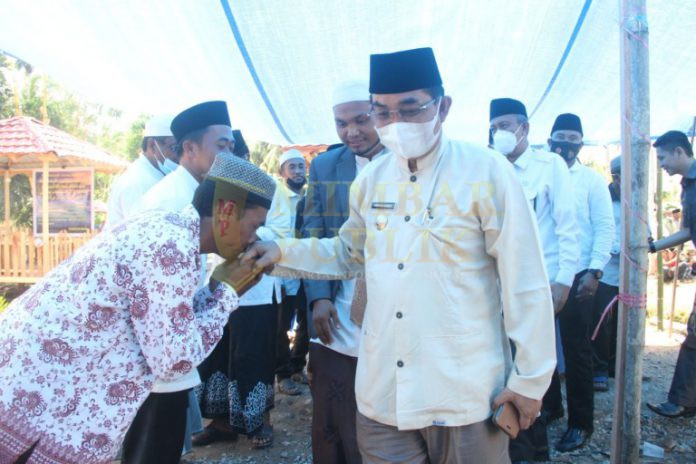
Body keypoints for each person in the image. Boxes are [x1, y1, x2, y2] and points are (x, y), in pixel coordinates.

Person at [249, 47, 556, 463]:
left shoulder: (485, 172)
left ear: (443, 107)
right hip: (383, 393)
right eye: (383, 112)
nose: (395, 123)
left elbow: (525, 281)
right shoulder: (371, 180)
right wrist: (279, 252)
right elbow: (346, 252)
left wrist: (531, 380)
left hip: (463, 393)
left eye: (410, 109)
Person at [0, 152, 276, 464]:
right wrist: (227, 293)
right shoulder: (169, 247)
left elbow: (169, 322)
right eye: (255, 225)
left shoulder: (170, 230)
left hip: (34, 379)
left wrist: (213, 291)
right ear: (226, 211)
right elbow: (174, 360)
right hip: (41, 389)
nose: (254, 238)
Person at [120, 101, 234, 463]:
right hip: (153, 353)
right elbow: (154, 301)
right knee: (152, 444)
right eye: (221, 145)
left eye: (231, 145)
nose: (229, 153)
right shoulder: (168, 202)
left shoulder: (192, 193)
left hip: (164, 345)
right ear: (189, 149)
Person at [300, 79, 387, 464]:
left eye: (361, 119)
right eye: (341, 123)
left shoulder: (407, 159)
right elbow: (312, 233)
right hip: (340, 302)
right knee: (334, 405)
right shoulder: (324, 165)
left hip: (395, 304)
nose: (351, 131)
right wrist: (319, 297)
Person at [490, 98, 579, 463]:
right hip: (494, 289)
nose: (500, 133)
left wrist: (564, 281)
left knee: (531, 367)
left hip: (538, 286)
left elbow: (568, 227)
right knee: (501, 368)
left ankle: (532, 451)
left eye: (507, 125)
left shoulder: (549, 165)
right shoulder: (488, 166)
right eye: (494, 126)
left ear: (525, 127)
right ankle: (502, 445)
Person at [194, 163, 282, 450]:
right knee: (218, 357)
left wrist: (260, 243)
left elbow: (283, 235)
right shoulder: (180, 247)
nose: (252, 236)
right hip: (223, 287)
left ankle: (259, 422)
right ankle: (221, 423)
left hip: (255, 292)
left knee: (252, 355)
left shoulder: (268, 198)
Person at [543, 113, 614, 452]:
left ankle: (581, 424)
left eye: (573, 137)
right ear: (549, 138)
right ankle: (551, 408)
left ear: (581, 143)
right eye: (561, 135)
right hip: (542, 275)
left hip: (578, 277)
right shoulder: (539, 173)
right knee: (542, 348)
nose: (566, 143)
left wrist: (595, 271)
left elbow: (604, 227)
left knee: (577, 351)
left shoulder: (590, 180)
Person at [647, 130, 696, 418]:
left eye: (663, 157)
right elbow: (689, 231)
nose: (661, 164)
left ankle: (682, 401)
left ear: (679, 152)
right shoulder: (687, 185)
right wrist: (653, 246)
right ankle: (685, 400)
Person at [267, 149, 310, 396]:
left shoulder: (310, 195)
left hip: (306, 265)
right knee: (282, 323)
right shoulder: (275, 196)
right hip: (282, 270)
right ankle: (282, 374)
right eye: (291, 167)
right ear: (282, 171)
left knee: (305, 319)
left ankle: (297, 366)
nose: (297, 171)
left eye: (300, 166)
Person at [104, 114, 178, 229]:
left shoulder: (157, 175)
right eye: (174, 148)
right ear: (152, 145)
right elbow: (142, 235)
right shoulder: (138, 183)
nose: (179, 156)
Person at [590, 156, 622, 392]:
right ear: (617, 176)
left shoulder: (637, 199)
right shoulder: (603, 198)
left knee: (624, 321)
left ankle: (616, 366)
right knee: (603, 321)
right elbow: (599, 229)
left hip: (630, 274)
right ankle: (599, 369)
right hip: (606, 271)